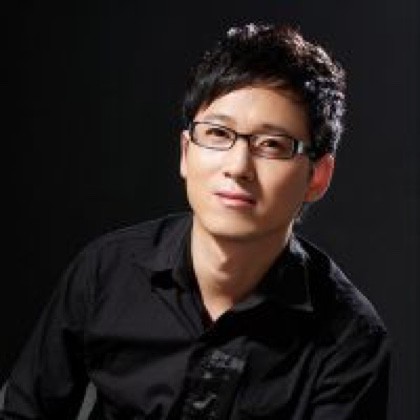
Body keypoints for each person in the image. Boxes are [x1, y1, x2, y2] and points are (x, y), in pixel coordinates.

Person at [1, 23, 390, 419]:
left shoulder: (351, 341)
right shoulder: (105, 271)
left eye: (271, 144)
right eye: (218, 133)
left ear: (318, 176)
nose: (238, 167)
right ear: (186, 153)